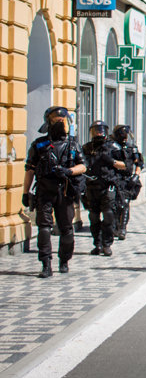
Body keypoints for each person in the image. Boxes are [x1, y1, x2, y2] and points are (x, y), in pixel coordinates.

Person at [23, 106, 86, 278]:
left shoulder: (73, 144)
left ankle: (64, 260)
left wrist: (69, 171)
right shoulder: (39, 144)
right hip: (45, 190)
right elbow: (30, 169)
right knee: (44, 228)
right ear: (48, 122)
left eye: (62, 120)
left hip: (65, 191)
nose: (59, 122)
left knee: (66, 228)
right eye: (55, 119)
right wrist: (25, 191)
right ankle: (46, 264)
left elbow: (83, 166)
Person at [81, 121, 126, 257]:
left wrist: (111, 161)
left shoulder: (113, 147)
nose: (98, 133)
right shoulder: (87, 148)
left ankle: (107, 244)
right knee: (93, 217)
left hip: (108, 186)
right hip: (92, 187)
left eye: (101, 130)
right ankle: (97, 244)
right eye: (96, 131)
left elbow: (125, 165)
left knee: (109, 215)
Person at [111, 124, 143, 240]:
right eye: (123, 135)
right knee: (113, 204)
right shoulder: (111, 147)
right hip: (114, 179)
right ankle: (114, 227)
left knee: (125, 203)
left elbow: (139, 163)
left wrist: (136, 175)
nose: (125, 138)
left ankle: (122, 228)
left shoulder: (131, 148)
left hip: (127, 180)